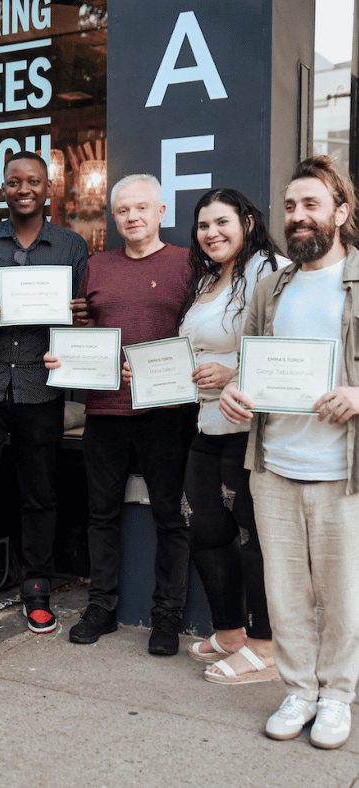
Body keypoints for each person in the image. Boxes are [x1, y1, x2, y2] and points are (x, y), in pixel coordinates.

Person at [219, 156, 359, 749]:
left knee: (342, 589)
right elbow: (250, 362)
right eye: (290, 206)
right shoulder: (272, 284)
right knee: (285, 589)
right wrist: (233, 389)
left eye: (311, 205)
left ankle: (338, 695)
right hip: (273, 463)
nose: (297, 217)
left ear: (341, 212)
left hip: (339, 470)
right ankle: (299, 688)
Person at [46, 173, 192, 655]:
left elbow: (199, 336)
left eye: (141, 208)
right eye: (123, 210)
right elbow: (84, 327)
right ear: (114, 217)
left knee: (170, 516)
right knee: (101, 515)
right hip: (104, 410)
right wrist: (64, 352)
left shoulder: (187, 265)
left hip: (165, 410)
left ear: (160, 213)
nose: (132, 217)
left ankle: (167, 616)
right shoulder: (97, 265)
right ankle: (102, 606)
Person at [0, 151, 88, 635]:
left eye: (33, 181)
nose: (23, 189)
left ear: (47, 188)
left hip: (41, 384)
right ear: (3, 188)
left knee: (41, 495)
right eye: (14, 181)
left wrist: (79, 316)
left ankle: (37, 587)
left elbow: (84, 319)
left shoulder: (71, 247)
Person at [178, 189, 283, 683]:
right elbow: (195, 353)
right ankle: (230, 632)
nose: (211, 233)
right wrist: (156, 375)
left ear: (247, 221)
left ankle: (264, 648)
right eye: (203, 225)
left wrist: (234, 370)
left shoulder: (270, 269)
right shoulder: (208, 281)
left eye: (222, 222)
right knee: (204, 528)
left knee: (252, 539)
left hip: (248, 427)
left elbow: (287, 350)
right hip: (207, 423)